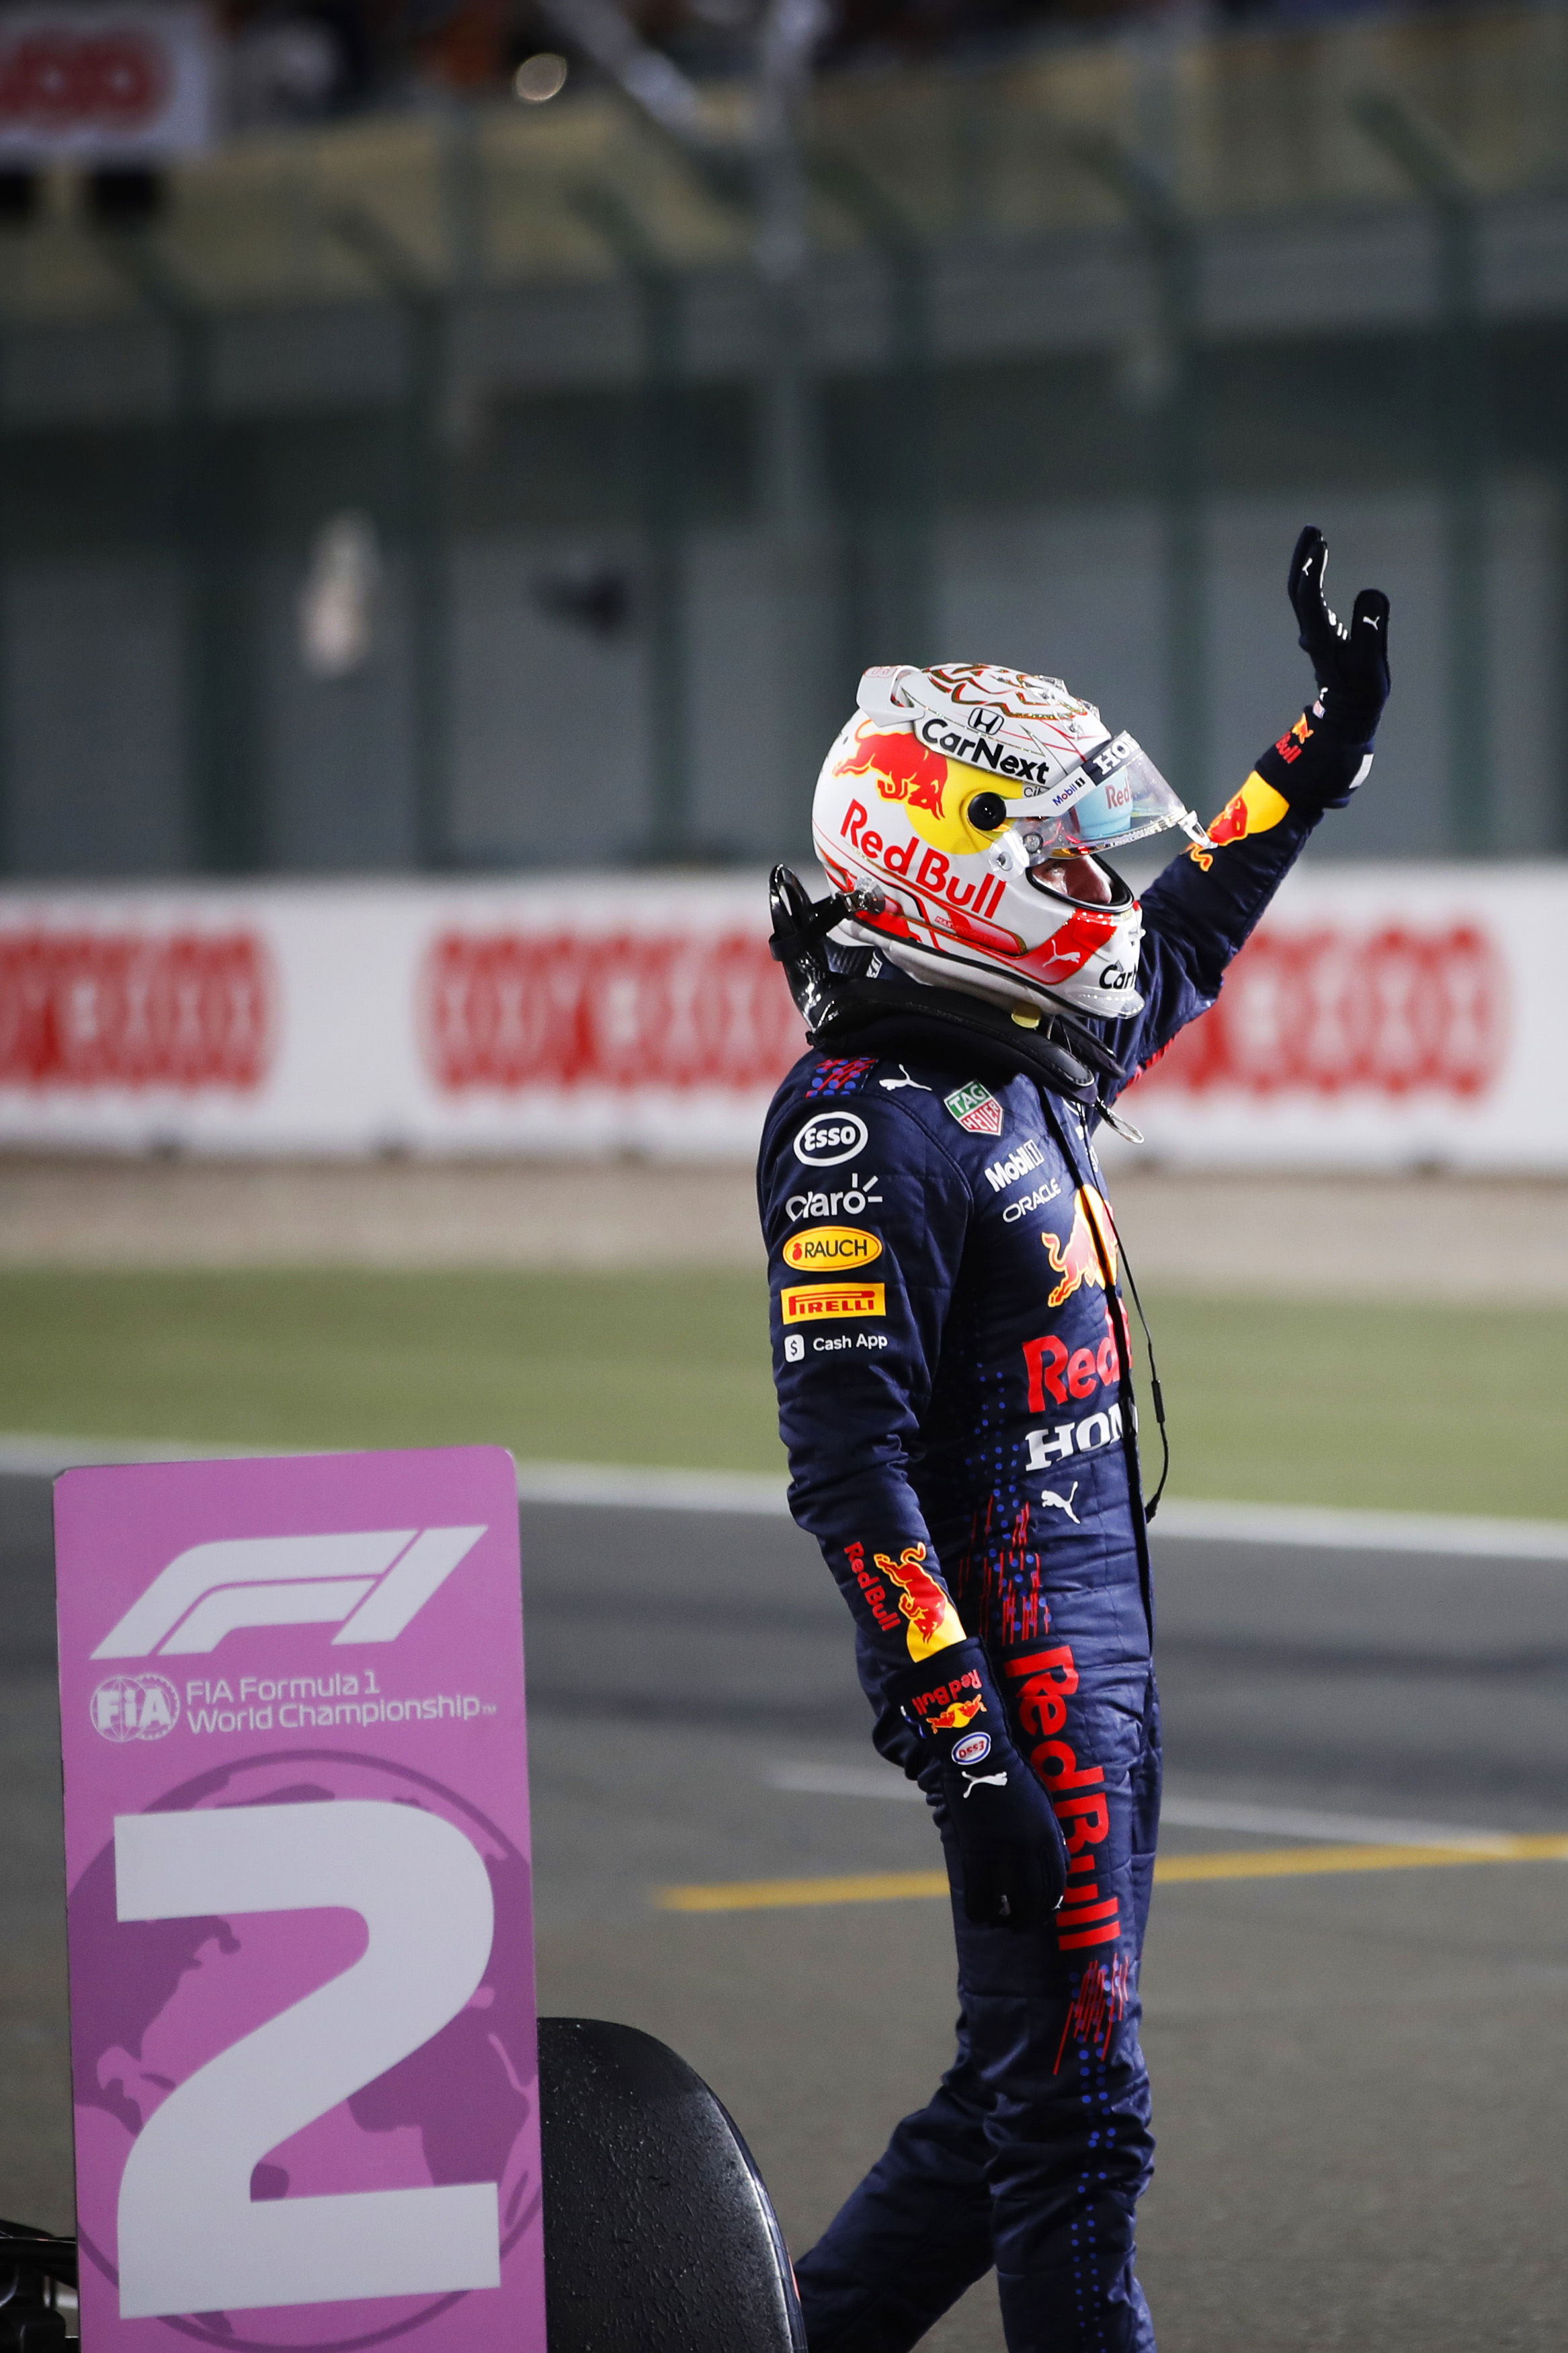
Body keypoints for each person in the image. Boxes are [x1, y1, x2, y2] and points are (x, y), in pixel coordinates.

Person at [757, 527, 1391, 2353]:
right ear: (934, 851)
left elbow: (1187, 914)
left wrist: (1320, 746)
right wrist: (968, 1755)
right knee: (1081, 2123)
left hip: (1097, 1671)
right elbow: (852, 1480)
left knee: (1012, 2107)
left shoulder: (1026, 1048)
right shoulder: (860, 1121)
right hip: (1021, 1699)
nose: (1081, 880)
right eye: (1036, 847)